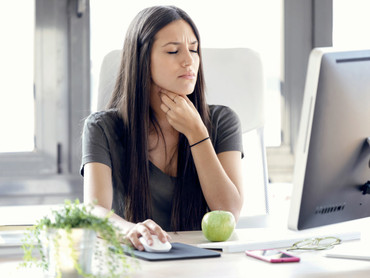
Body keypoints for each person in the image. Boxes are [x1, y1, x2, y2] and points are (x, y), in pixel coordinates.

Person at [81, 5, 244, 251]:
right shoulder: (102, 128)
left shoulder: (223, 121)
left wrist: (197, 133)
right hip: (137, 260)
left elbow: (229, 211)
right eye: (173, 51)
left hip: (207, 263)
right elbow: (94, 211)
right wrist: (130, 230)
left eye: (193, 49)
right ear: (142, 59)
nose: (189, 61)